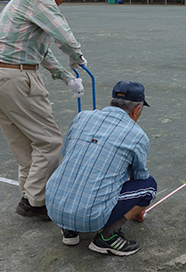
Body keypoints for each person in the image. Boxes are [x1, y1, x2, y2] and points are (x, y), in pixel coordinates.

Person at [0, 0, 87, 220]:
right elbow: (62, 34)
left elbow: (38, 50)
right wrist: (77, 57)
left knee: (25, 145)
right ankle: (38, 202)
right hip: (16, 78)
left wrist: (65, 76)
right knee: (50, 141)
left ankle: (29, 197)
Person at [46, 80, 157, 256]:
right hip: (89, 217)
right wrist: (137, 207)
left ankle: (69, 229)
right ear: (137, 109)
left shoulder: (82, 117)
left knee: (78, 167)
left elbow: (67, 153)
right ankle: (106, 237)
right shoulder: (137, 135)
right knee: (149, 186)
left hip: (53, 207)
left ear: (111, 102)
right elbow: (139, 178)